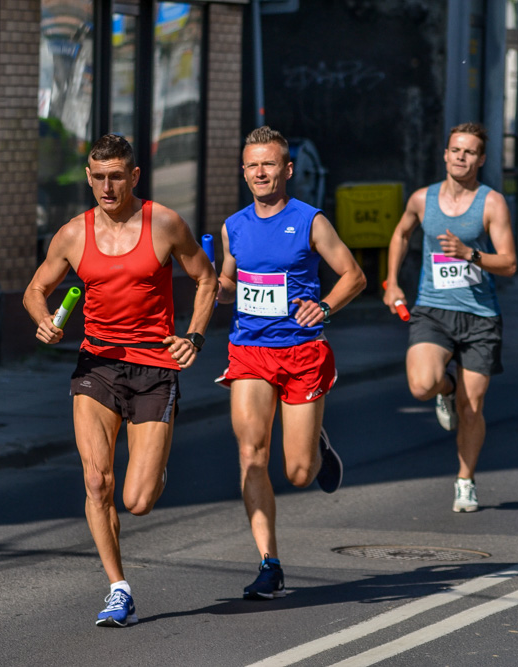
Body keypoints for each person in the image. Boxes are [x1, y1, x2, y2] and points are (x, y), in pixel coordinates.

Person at [24, 134, 217, 627]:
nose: (107, 187)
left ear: (134, 176)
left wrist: (192, 337)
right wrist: (43, 318)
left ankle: (154, 474)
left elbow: (206, 277)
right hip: (97, 366)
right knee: (95, 480)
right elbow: (36, 288)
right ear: (88, 177)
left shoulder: (165, 224)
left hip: (155, 368)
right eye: (98, 177)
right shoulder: (72, 234)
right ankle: (118, 588)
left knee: (138, 501)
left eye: (116, 176)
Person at [216, 126, 366, 599]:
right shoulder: (233, 226)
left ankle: (317, 444)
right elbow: (227, 284)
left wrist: (323, 307)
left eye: (269, 164)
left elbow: (353, 276)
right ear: (244, 172)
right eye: (252, 165)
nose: (260, 172)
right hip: (249, 351)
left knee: (298, 472)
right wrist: (212, 284)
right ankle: (269, 563)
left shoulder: (309, 221)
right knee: (250, 454)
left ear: (287, 169)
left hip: (301, 352)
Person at [382, 122, 517, 513]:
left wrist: (469, 253)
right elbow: (401, 234)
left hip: (480, 317)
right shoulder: (423, 200)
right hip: (433, 310)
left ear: (482, 159)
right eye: (455, 150)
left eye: (470, 152)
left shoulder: (491, 204)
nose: (461, 157)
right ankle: (445, 390)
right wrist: (392, 282)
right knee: (421, 385)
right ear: (445, 155)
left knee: (471, 406)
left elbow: (508, 263)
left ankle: (465, 480)